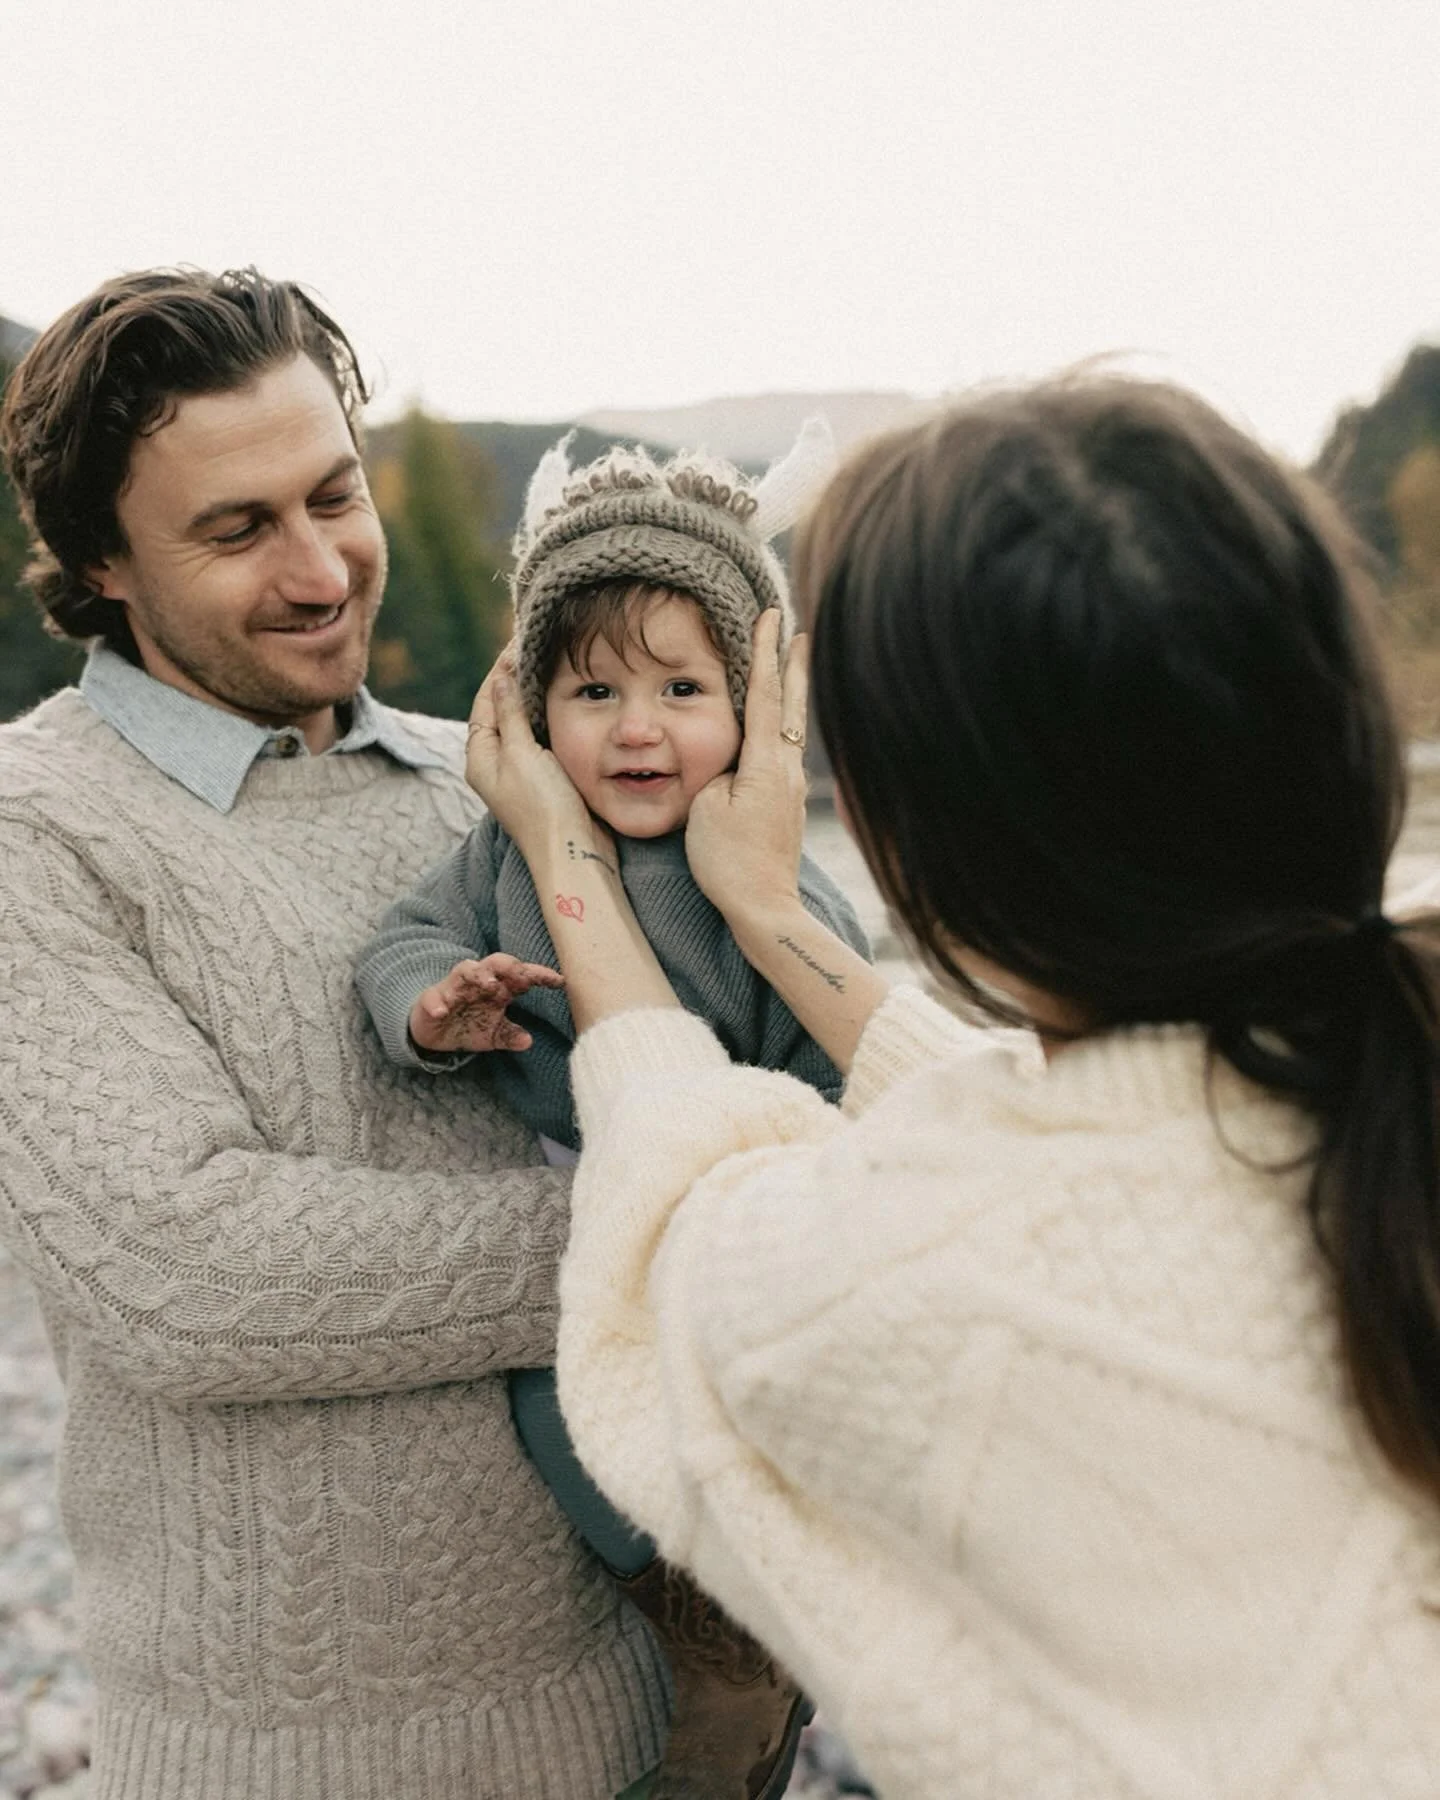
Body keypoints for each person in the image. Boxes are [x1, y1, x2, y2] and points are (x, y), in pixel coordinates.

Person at [466, 375, 1440, 1799]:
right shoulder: (1372, 1062)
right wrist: (769, 914)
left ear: (927, 849)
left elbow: (669, 1256)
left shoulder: (898, 1275)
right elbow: (1101, 1123)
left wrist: (563, 858)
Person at [0, 268, 670, 1800]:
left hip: (641, 1710)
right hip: (278, 1764)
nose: (320, 572)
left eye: (335, 497)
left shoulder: (500, 777)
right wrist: (676, 1226)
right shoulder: (34, 829)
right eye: (237, 531)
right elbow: (187, 1272)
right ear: (101, 560)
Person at [355, 432, 869, 1800]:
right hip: (583, 1204)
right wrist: (433, 1008)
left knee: (770, 1415)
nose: (637, 729)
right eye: (592, 690)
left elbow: (839, 1073)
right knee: (550, 1399)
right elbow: (397, 946)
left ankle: (773, 1607)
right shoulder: (496, 856)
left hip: (744, 1224)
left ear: (754, 710)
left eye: (683, 688)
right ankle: (699, 1619)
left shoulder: (760, 879)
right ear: (529, 712)